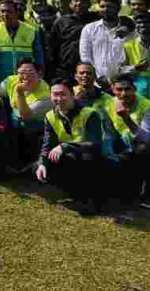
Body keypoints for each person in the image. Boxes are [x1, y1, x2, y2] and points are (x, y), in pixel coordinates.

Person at [35, 80, 106, 215]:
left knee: (84, 158)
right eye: (55, 95)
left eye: (63, 94)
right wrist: (42, 163)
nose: (59, 99)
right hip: (68, 155)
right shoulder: (50, 115)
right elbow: (47, 144)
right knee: (39, 167)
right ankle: (70, 193)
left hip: (91, 157)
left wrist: (65, 146)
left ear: (72, 95)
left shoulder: (90, 113)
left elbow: (94, 143)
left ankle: (92, 200)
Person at [102, 75, 150, 209]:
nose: (123, 94)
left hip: (148, 150)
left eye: (127, 89)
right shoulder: (108, 105)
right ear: (113, 89)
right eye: (119, 89)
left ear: (135, 89)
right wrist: (110, 155)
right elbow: (107, 133)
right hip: (123, 147)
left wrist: (126, 118)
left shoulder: (148, 106)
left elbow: (146, 138)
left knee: (145, 150)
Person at [0, 59, 53, 170]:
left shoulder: (46, 96)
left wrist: (20, 93)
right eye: (21, 73)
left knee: (22, 125)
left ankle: (29, 164)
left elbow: (24, 115)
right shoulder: (11, 80)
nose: (25, 77)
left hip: (36, 126)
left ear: (39, 74)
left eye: (30, 73)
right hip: (16, 120)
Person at [79, 0, 131, 87]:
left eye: (110, 6)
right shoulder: (89, 29)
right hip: (98, 82)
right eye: (102, 6)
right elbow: (85, 57)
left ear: (118, 8)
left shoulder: (129, 30)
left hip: (124, 83)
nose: (106, 9)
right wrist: (96, 77)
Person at [46, 0, 98, 81]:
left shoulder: (96, 20)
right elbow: (51, 47)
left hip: (91, 70)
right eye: (75, 0)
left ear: (89, 4)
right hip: (65, 71)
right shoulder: (61, 21)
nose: (79, 3)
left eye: (83, 0)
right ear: (70, 4)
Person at [0, 0, 43, 85]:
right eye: (2, 11)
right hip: (1, 79)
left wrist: (40, 72)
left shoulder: (31, 30)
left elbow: (38, 54)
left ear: (16, 12)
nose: (5, 14)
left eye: (9, 11)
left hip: (25, 78)